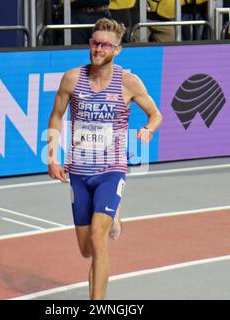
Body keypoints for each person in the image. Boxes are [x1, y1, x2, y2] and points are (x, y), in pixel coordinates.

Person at [47, 18, 162, 300]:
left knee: (99, 241)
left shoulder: (129, 82)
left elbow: (156, 114)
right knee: (86, 249)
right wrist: (52, 157)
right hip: (79, 172)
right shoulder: (72, 78)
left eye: (104, 45)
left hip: (112, 170)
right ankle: (115, 214)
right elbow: (57, 115)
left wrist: (148, 129)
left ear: (117, 50)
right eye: (94, 43)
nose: (97, 49)